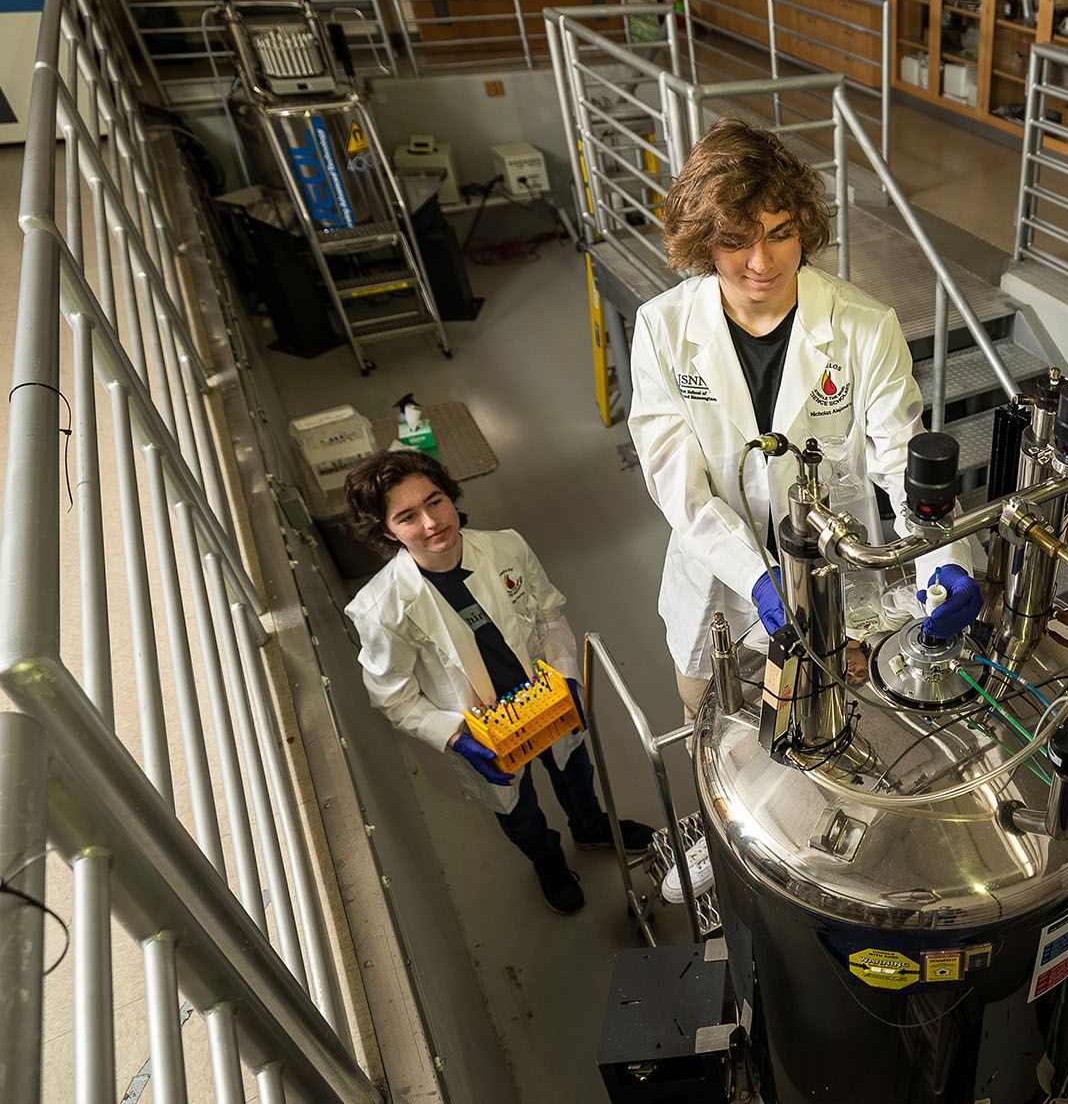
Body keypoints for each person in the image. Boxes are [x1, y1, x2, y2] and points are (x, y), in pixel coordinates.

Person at [628, 118, 983, 721]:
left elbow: (903, 459)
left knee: (833, 728)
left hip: (837, 585)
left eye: (781, 233)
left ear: (804, 229)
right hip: (718, 587)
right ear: (703, 242)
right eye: (737, 239)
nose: (762, 261)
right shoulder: (662, 329)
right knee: (710, 721)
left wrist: (946, 557)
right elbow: (678, 490)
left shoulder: (865, 326)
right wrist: (757, 577)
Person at [342, 451, 651, 914]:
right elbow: (394, 697)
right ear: (387, 531)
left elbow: (548, 613)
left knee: (574, 770)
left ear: (450, 495)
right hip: (485, 729)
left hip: (544, 699)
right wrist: (455, 738)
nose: (431, 523)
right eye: (407, 516)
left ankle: (590, 829)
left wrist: (566, 676)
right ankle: (547, 859)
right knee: (517, 808)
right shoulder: (381, 608)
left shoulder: (505, 548)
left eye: (436, 501)